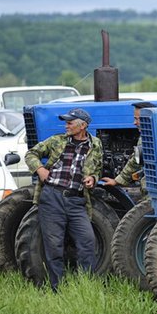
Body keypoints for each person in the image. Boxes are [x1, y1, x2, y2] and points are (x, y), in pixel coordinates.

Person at [24, 108, 103, 292]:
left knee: (87, 241)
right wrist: (40, 170)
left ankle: (86, 286)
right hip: (52, 197)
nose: (66, 125)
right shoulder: (57, 141)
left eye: (70, 122)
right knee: (54, 246)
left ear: (82, 126)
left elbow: (97, 169)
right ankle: (57, 289)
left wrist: (93, 179)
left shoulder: (96, 144)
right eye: (66, 122)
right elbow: (31, 154)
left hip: (77, 201)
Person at [101, 101, 156, 198]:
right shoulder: (152, 132)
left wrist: (118, 180)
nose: (134, 123)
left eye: (137, 119)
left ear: (148, 119)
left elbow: (136, 160)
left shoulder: (148, 135)